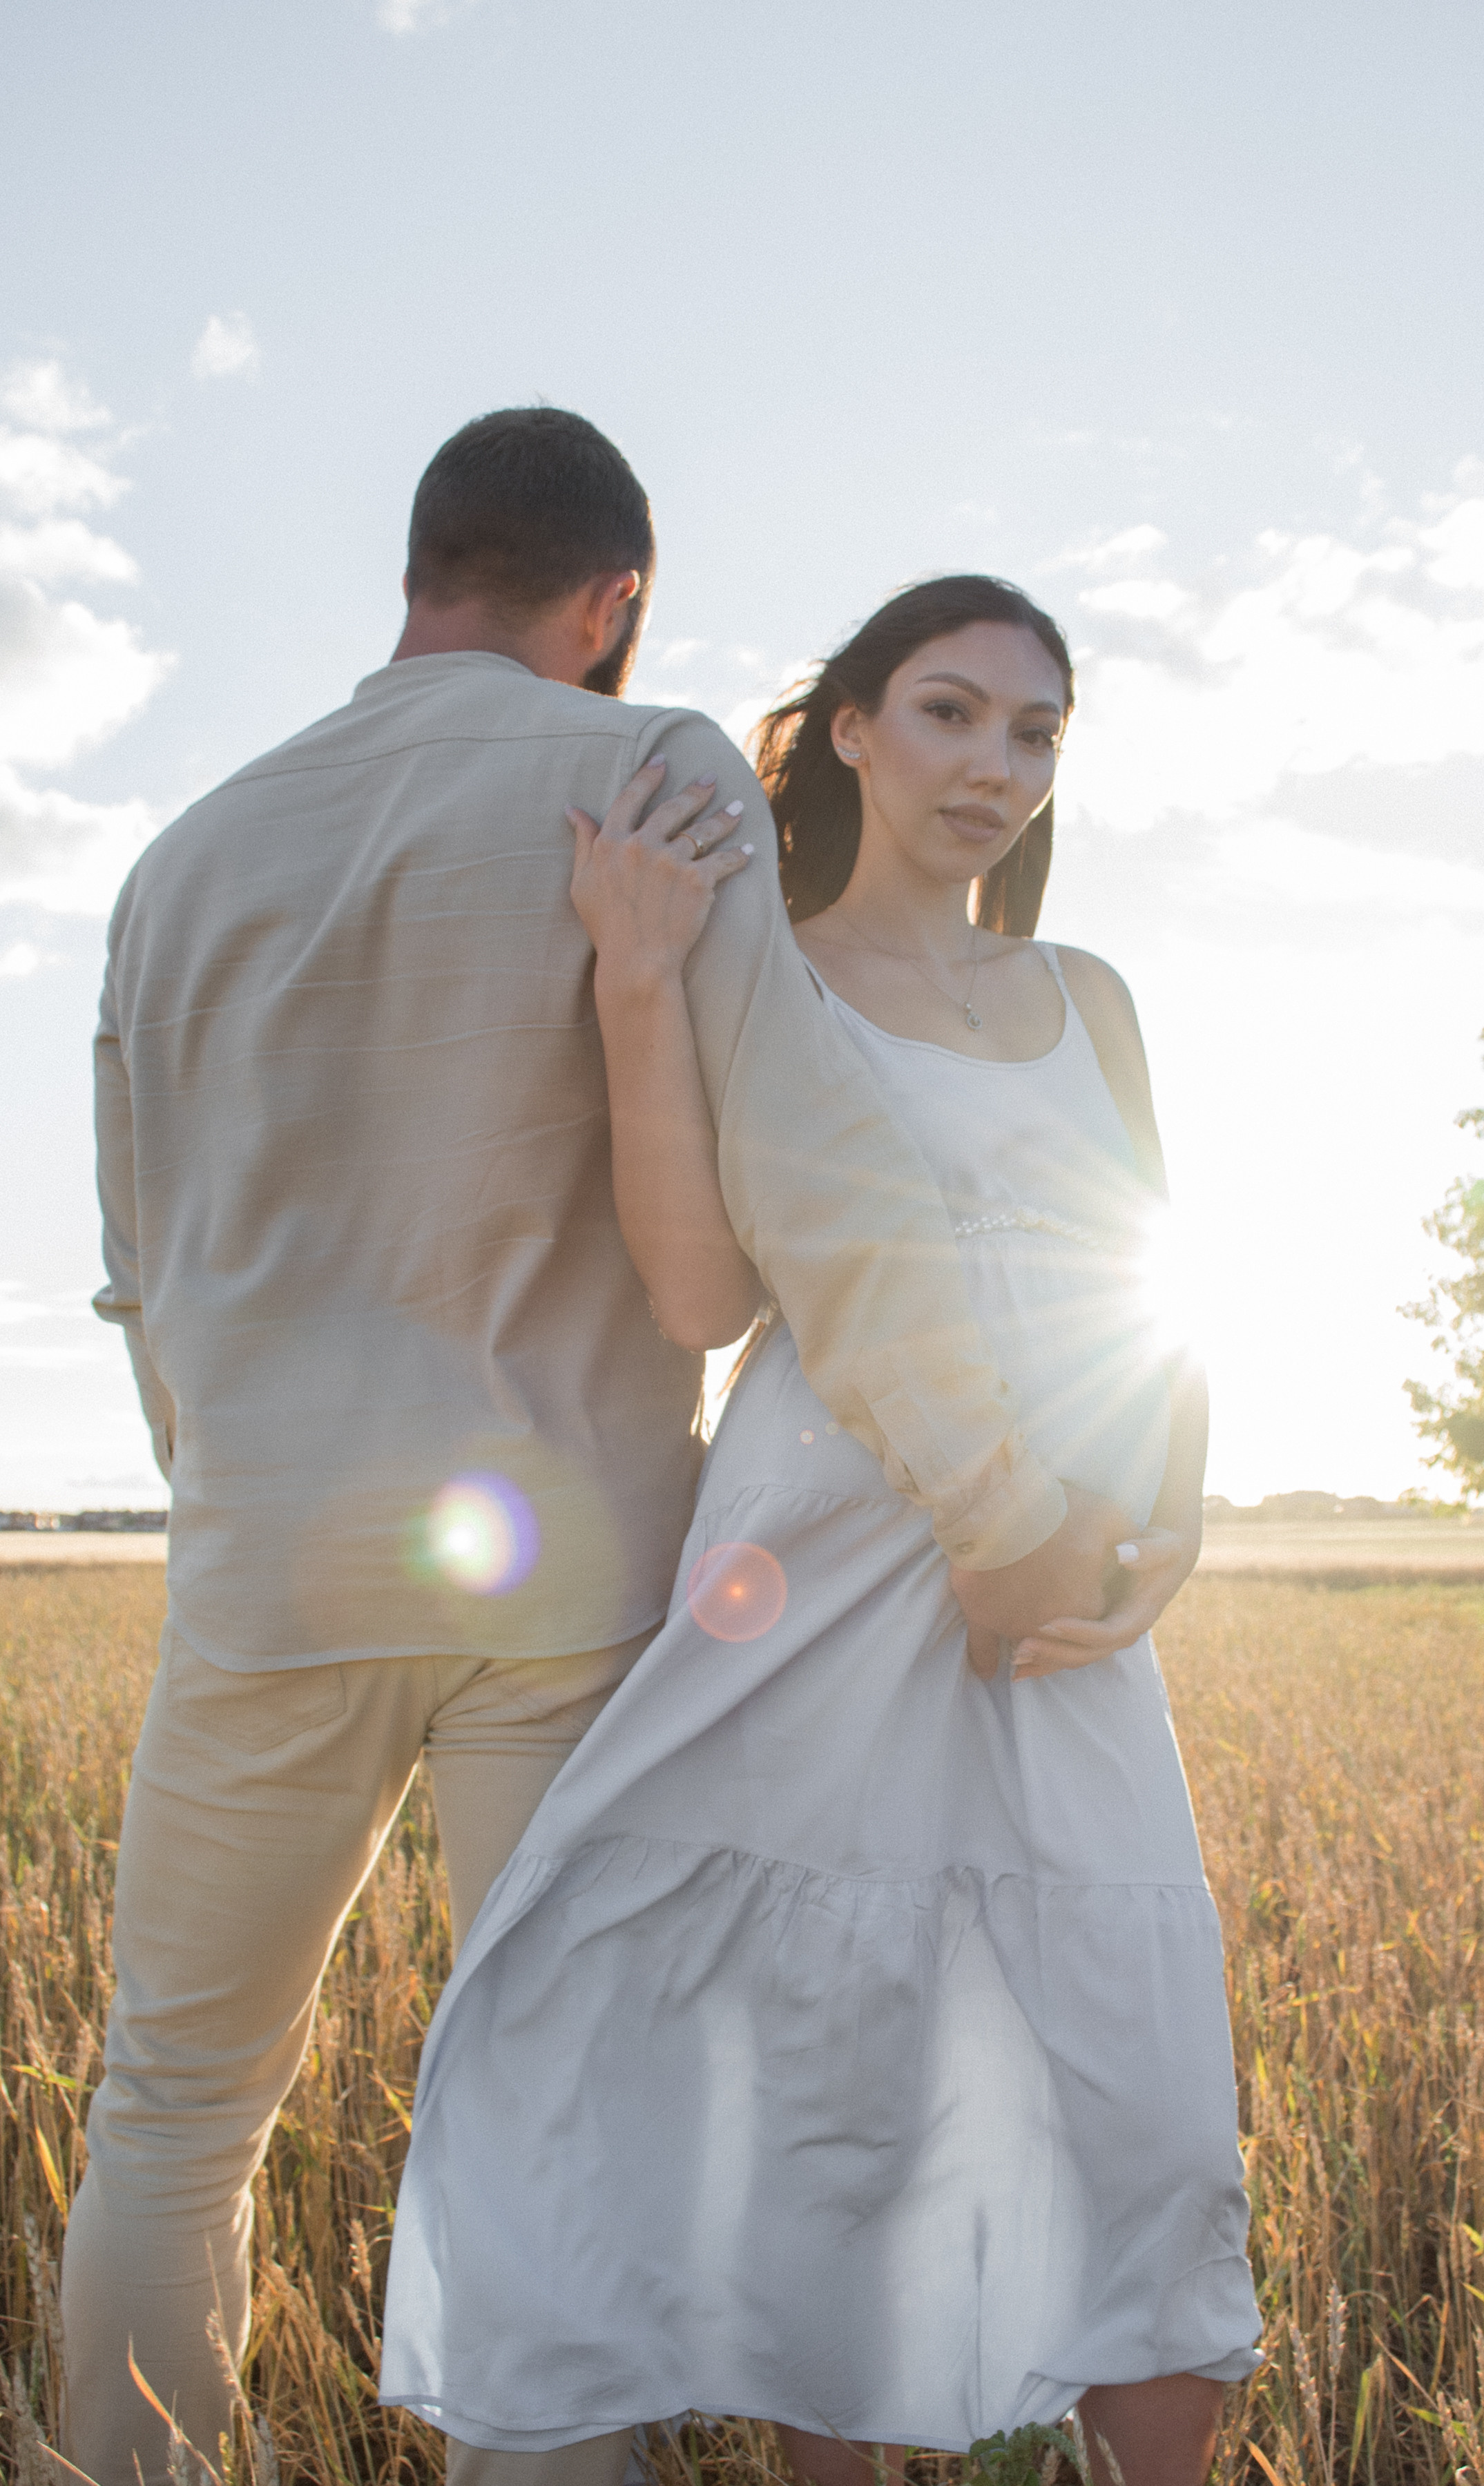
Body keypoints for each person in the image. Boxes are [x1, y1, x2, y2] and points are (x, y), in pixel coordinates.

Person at [67, 423, 1130, 2486]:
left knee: (172, 2110)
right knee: (569, 2102)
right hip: (570, 1581)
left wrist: (229, 1493)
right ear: (614, 602)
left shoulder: (179, 852)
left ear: (420, 568)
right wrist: (1000, 1499)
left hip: (263, 1567)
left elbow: (137, 1268)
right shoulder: (645, 782)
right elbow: (817, 1188)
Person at [379, 577, 1262, 2486]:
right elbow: (699, 1296)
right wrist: (638, 972)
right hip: (820, 1556)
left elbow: (1163, 1282)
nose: (994, 766)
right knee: (834, 2106)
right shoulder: (759, 962)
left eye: (1035, 732)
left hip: (1060, 1585)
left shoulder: (1084, 998)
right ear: (850, 729)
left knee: (1158, 2118)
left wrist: (1173, 1513)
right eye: (949, 713)